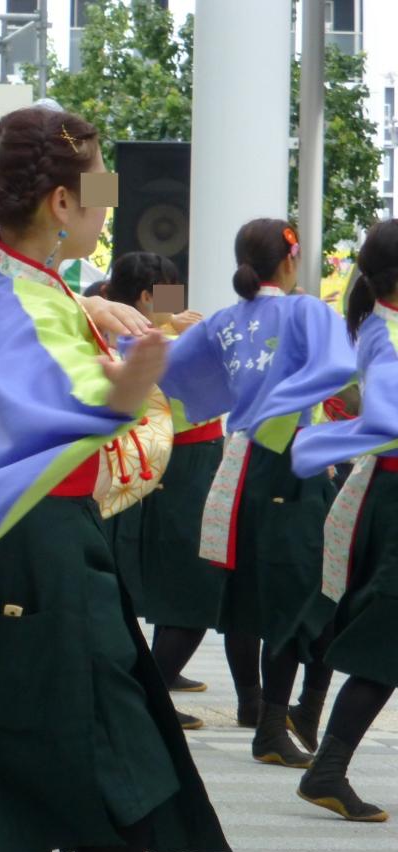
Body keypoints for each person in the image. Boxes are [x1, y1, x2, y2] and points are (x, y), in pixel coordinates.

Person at [0, 105, 230, 852]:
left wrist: (96, 310)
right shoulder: (24, 297)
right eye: (100, 185)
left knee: (62, 765)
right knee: (100, 768)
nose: (109, 201)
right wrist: (132, 385)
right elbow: (54, 399)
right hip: (38, 545)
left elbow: (35, 354)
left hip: (28, 544)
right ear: (62, 201)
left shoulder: (8, 274)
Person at [158, 218, 356, 767]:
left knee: (255, 595)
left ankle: (270, 713)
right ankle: (281, 719)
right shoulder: (307, 311)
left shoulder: (224, 320)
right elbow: (343, 368)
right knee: (308, 592)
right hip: (288, 458)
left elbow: (170, 374)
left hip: (239, 462)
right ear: (290, 259)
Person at [290, 218, 398, 821]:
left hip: (385, 490)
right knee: (386, 638)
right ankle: (327, 767)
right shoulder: (386, 334)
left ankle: (318, 744)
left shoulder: (384, 324)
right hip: (393, 495)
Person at [102, 252, 221, 729]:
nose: (179, 302)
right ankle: (151, 693)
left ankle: (156, 683)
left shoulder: (155, 335)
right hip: (177, 464)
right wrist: (187, 335)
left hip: (185, 463)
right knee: (191, 586)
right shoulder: (142, 341)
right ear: (147, 296)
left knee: (177, 585)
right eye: (171, 291)